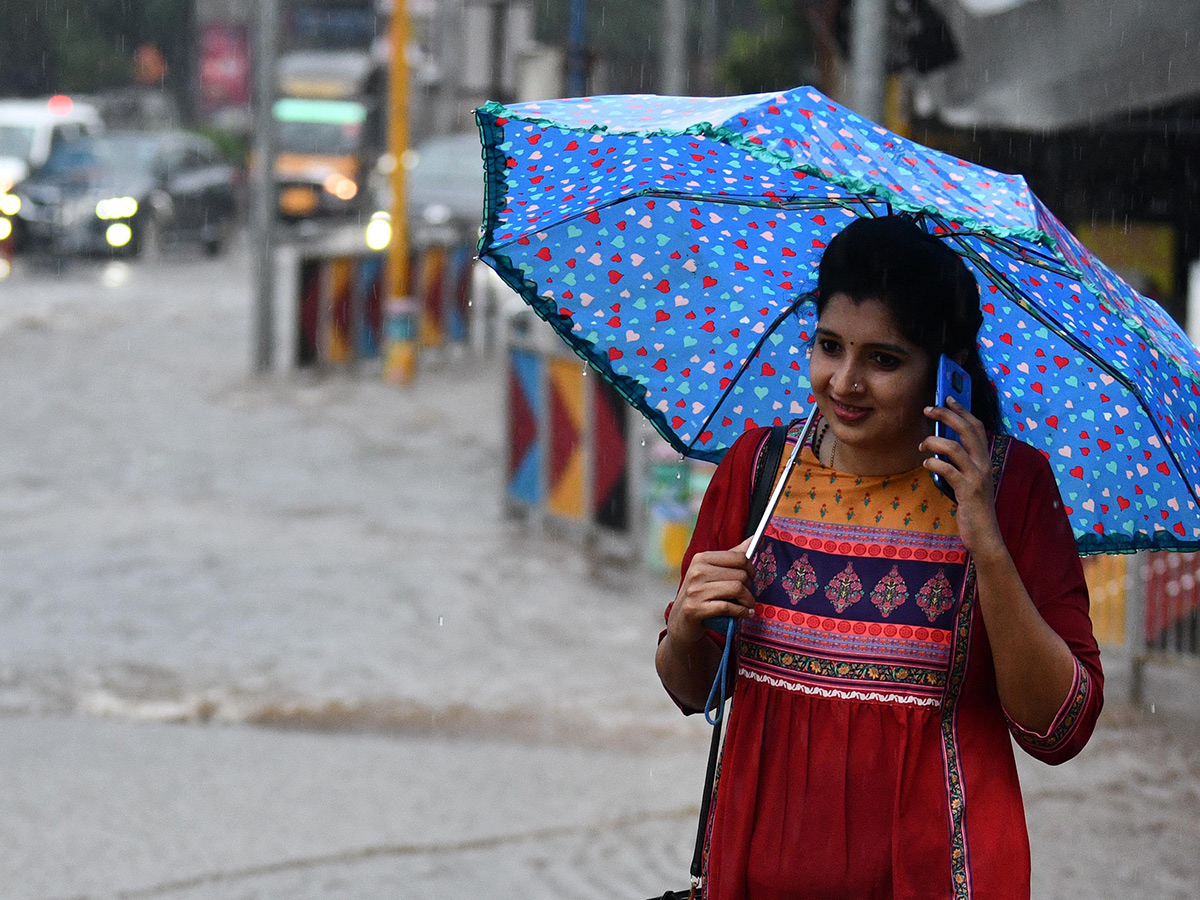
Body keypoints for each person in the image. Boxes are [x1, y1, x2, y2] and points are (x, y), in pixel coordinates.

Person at [655, 215, 1104, 900]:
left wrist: (985, 541)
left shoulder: (1013, 490)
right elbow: (694, 691)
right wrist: (687, 624)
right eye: (829, 346)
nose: (844, 381)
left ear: (946, 368)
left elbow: (1060, 726)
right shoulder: (757, 471)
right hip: (752, 873)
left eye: (883, 359)